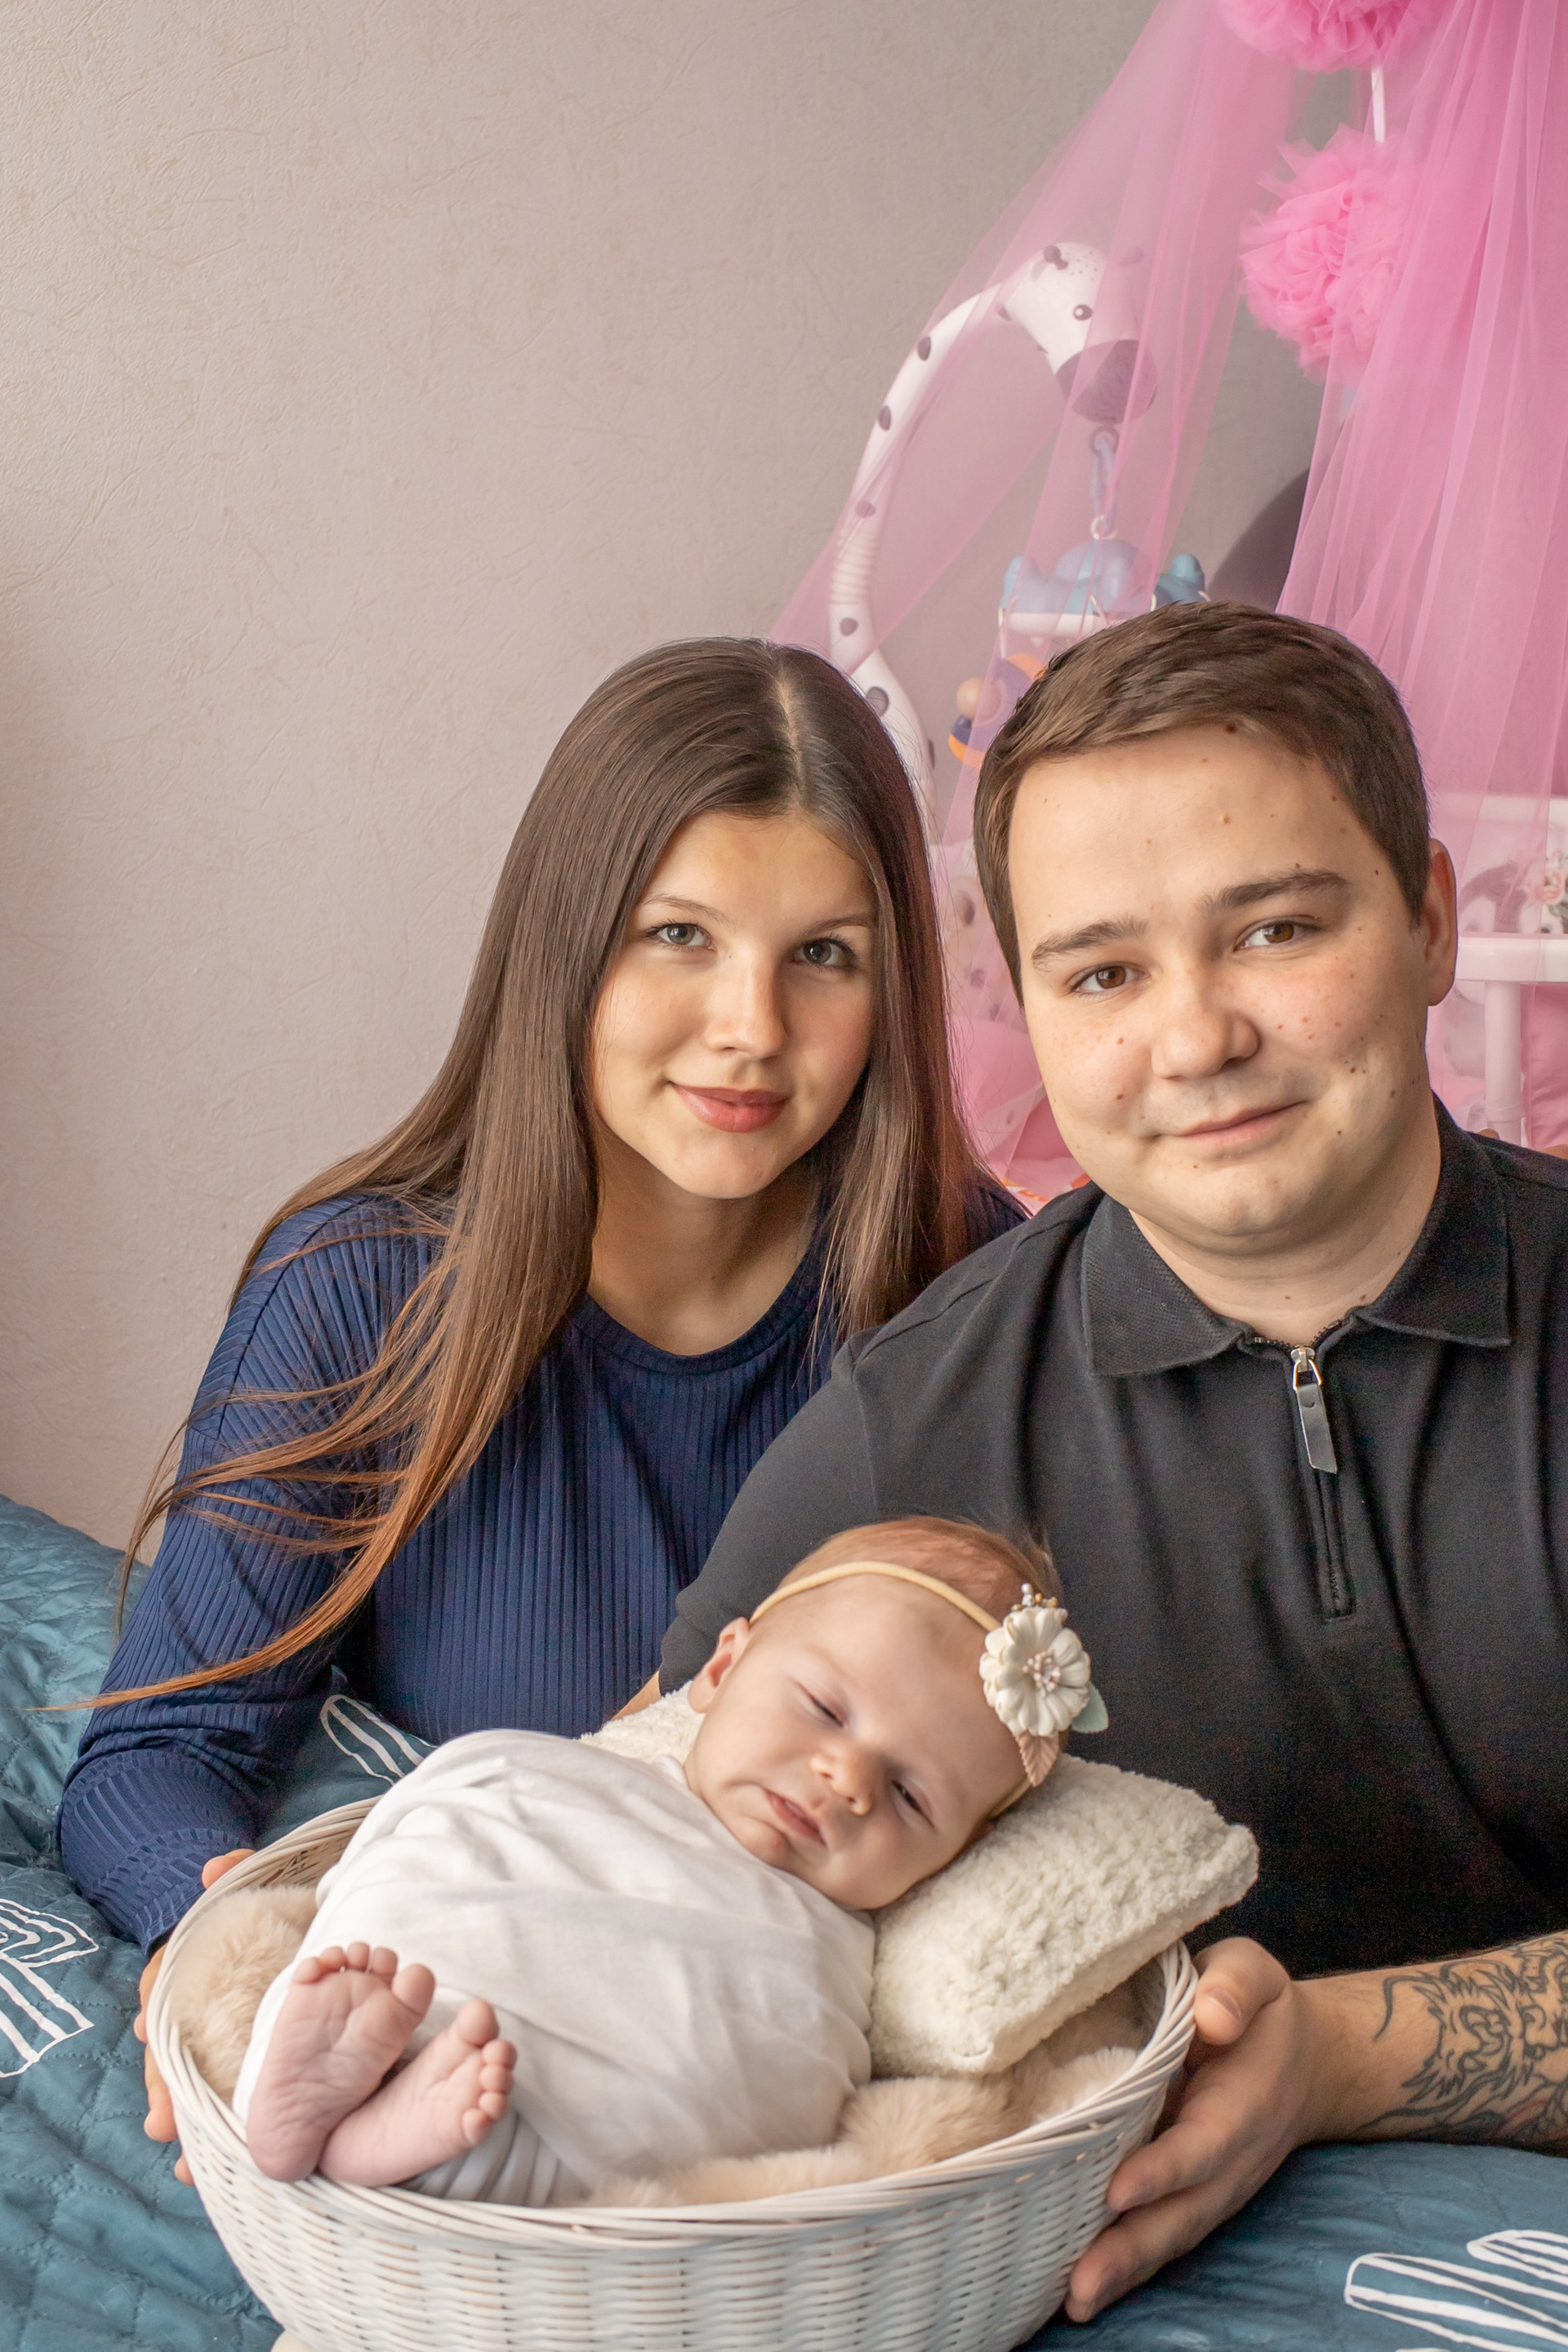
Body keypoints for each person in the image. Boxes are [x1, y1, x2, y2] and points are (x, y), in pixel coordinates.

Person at [657, 604, 1568, 2319]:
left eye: (1277, 930)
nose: (1198, 1038)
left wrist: (1338, 2058)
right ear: (1028, 1006)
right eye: (1103, 974)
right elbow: (646, 1841)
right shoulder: (916, 1428)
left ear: (1432, 918)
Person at [57, 637, 1018, 2154]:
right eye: (679, 936)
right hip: (474, 2042)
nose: (751, 1027)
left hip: (777, 2065)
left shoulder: (966, 1284)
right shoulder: (364, 1291)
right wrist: (235, 1953)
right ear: (565, 944)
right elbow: (160, 1756)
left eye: (824, 955)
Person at [225, 1518, 1067, 2202]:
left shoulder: (834, 1952)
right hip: (425, 2009)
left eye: (910, 1797)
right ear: (723, 1666)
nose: (846, 1780)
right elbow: (413, 1853)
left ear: (953, 1857)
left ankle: (391, 2145)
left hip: (527, 2119)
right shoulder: (567, 1776)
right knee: (427, 1869)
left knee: (743, 2082)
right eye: (824, 1708)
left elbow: (765, 2112)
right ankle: (325, 2090)